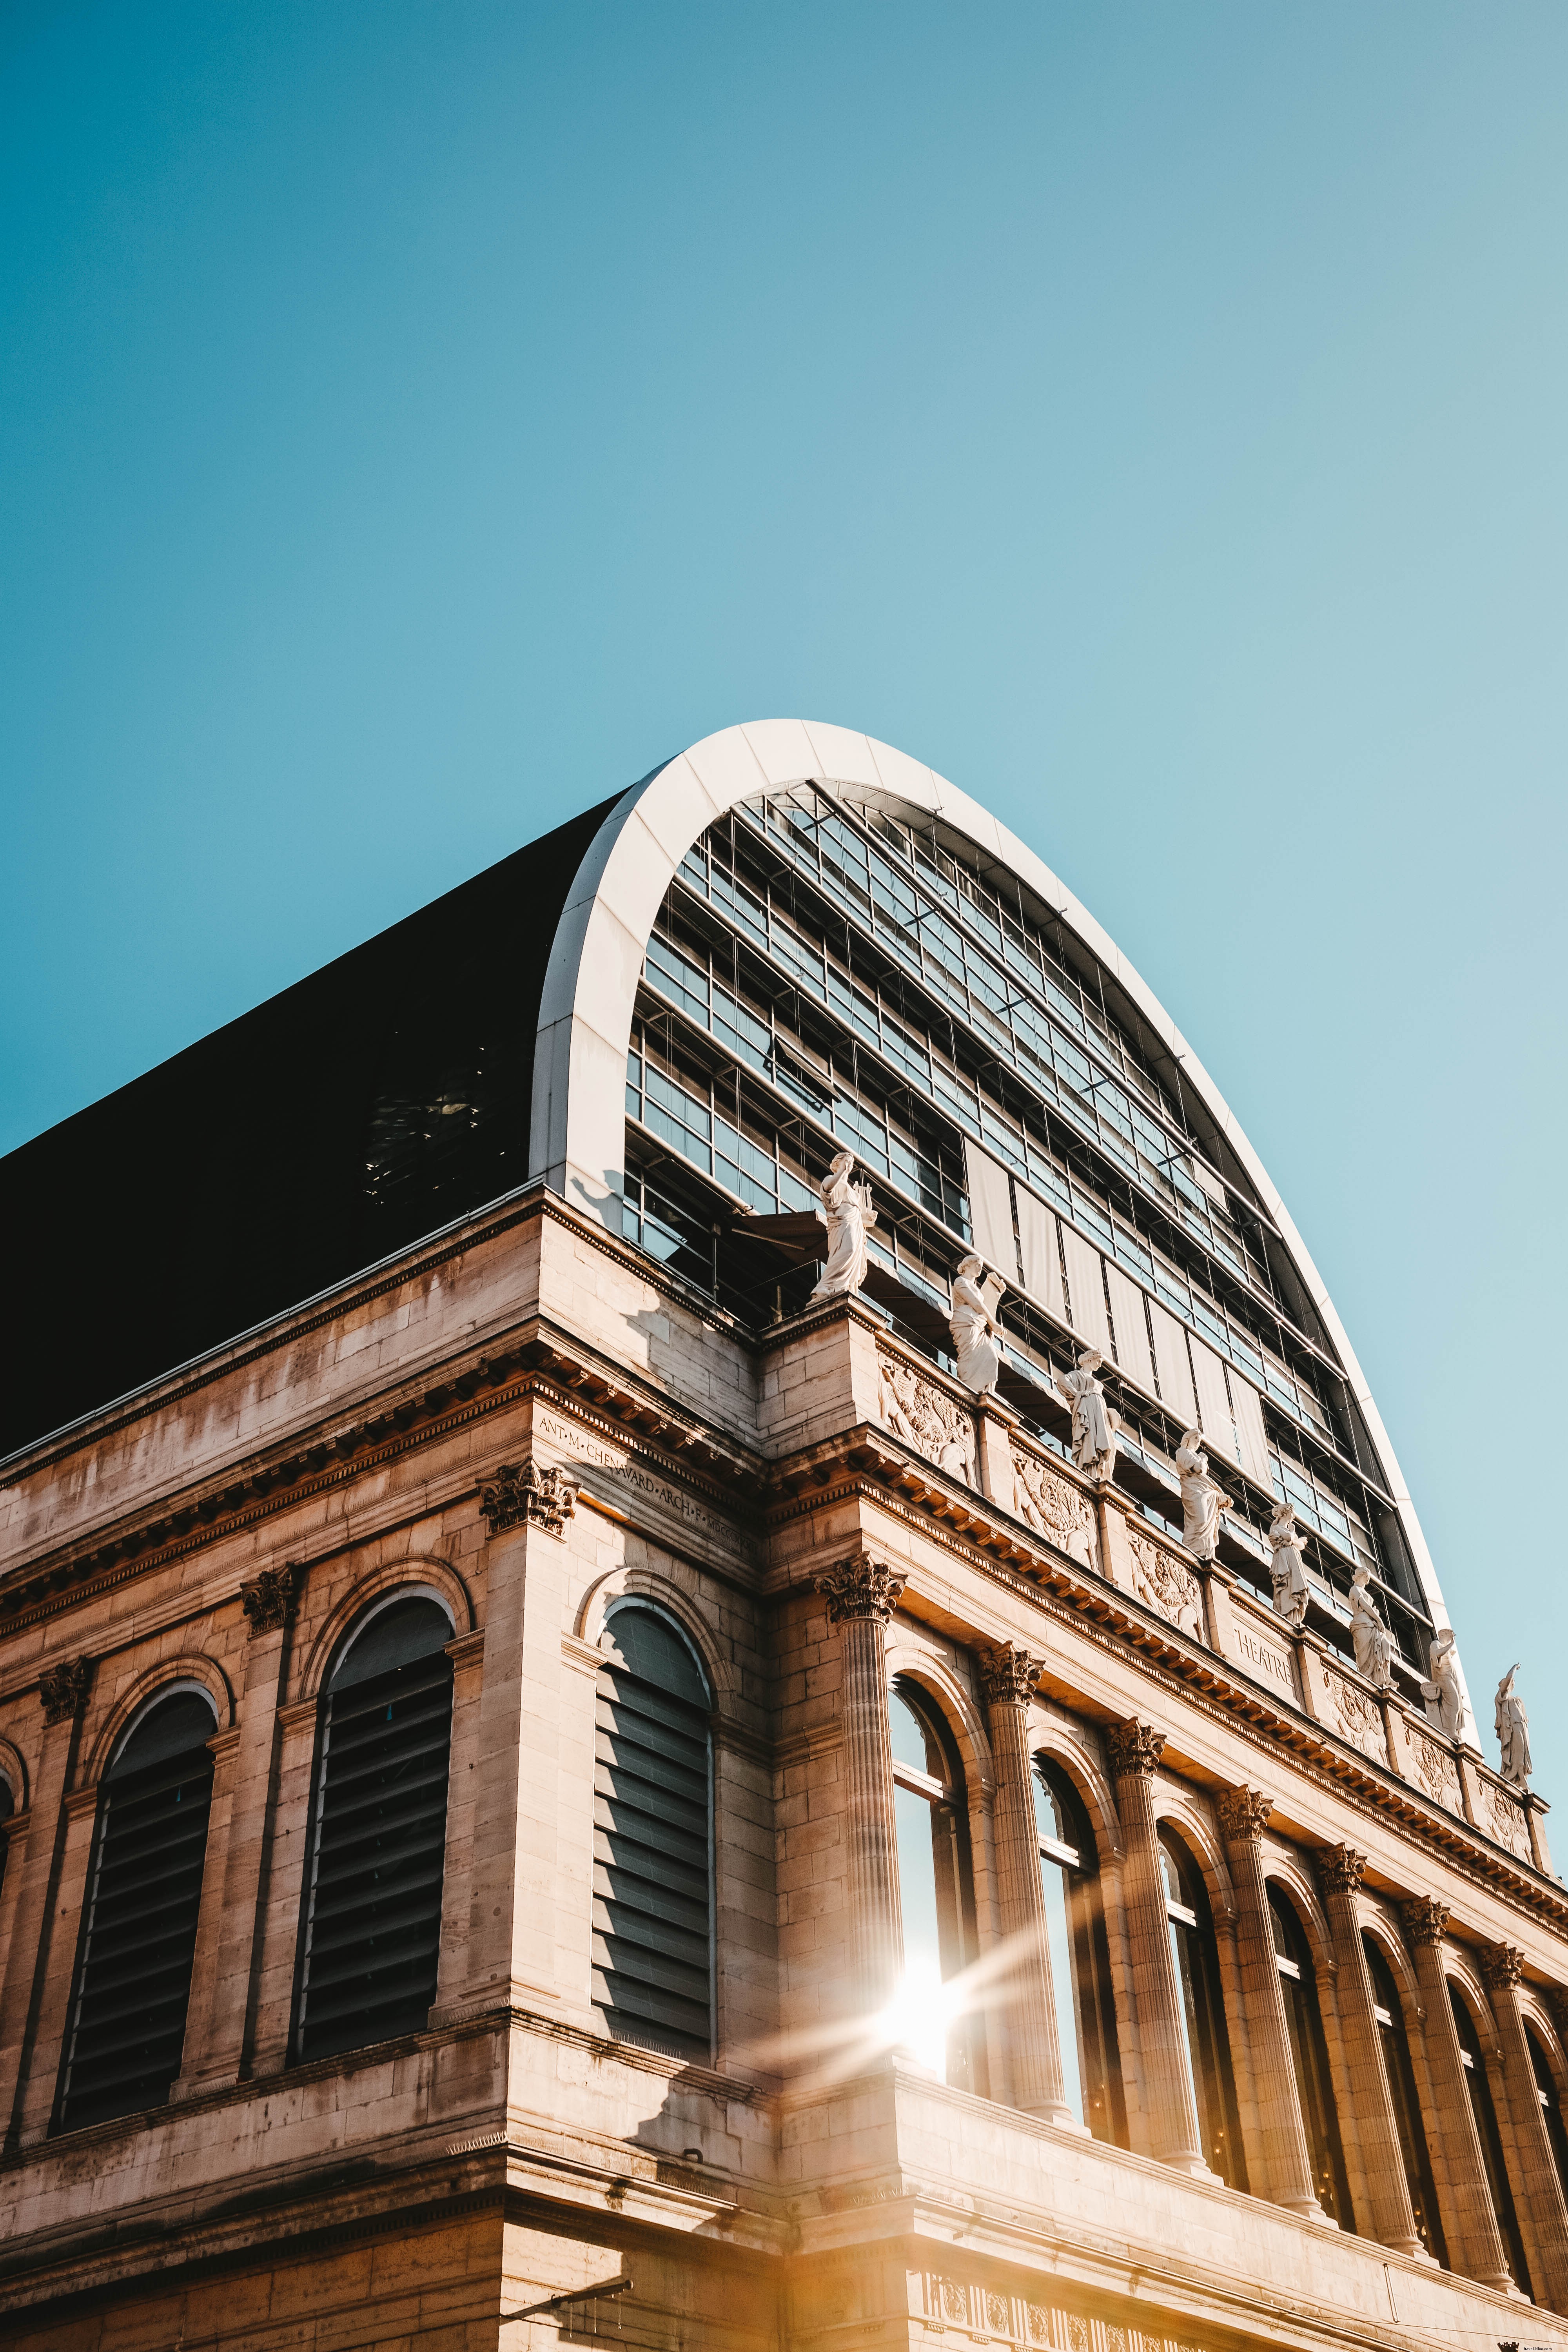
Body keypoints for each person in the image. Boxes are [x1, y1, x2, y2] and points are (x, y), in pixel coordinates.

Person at [809, 1151, 876, 1299]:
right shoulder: (831, 1180)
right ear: (837, 1164)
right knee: (848, 1250)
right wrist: (841, 1172)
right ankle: (825, 1285)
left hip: (854, 1224)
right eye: (846, 1162)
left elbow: (854, 1211)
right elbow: (828, 1191)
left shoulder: (855, 1193)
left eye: (850, 1164)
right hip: (841, 1224)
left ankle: (842, 1287)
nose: (849, 1165)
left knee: (853, 1252)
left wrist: (866, 1217)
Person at [1055, 1349, 1118, 1483]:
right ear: (1090, 1359)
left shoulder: (1094, 1381)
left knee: (1110, 1445)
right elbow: (1062, 1381)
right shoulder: (1078, 1375)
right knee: (1090, 1441)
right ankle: (1092, 1471)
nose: (1100, 1365)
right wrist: (1078, 1394)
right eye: (1098, 1362)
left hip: (1100, 1416)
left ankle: (1103, 1474)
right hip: (1087, 1411)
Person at [949, 1254, 1004, 1393]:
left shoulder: (975, 1287)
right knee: (970, 1356)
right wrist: (993, 1323)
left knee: (992, 1358)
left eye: (982, 1266)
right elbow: (977, 1304)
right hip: (967, 1324)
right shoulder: (961, 1282)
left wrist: (997, 1291)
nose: (980, 1268)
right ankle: (969, 1391)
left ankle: (985, 1394)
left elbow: (985, 1305)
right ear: (967, 1265)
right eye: (977, 1265)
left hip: (978, 1326)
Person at [1176, 1430, 1230, 1561]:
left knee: (1207, 1524)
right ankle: (1192, 1549)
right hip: (1195, 1493)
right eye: (1195, 1438)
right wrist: (1203, 1459)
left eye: (1199, 1440)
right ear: (1187, 1439)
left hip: (1204, 1492)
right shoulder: (1183, 1452)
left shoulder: (1193, 1455)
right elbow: (1199, 1469)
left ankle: (1206, 1554)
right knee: (1202, 1520)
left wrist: (1218, 1497)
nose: (1197, 1442)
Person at [1267, 1503, 1311, 1630]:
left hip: (1293, 1560)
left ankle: (1295, 1618)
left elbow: (1299, 1544)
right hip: (1285, 1561)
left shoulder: (1286, 1530)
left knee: (1299, 1589)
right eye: (1293, 1512)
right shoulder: (1277, 1528)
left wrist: (1293, 1540)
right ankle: (1288, 1618)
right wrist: (1292, 1535)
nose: (1294, 1515)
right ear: (1287, 1513)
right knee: (1288, 1587)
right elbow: (1290, 1538)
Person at [1348, 1566, 1393, 1689]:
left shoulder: (1363, 1591)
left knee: (1385, 1644)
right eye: (1366, 1576)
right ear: (1360, 1576)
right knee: (1365, 1656)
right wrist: (1378, 1620)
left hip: (1371, 1623)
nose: (1368, 1579)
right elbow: (1364, 1605)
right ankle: (1367, 1677)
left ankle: (1383, 1677)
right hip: (1362, 1623)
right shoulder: (1355, 1589)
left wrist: (1375, 1617)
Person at [1421, 1627, 1465, 1741]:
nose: (1452, 1637)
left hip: (1451, 1679)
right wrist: (1451, 1644)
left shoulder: (1448, 1650)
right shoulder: (1436, 1644)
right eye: (1450, 1635)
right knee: (1454, 1704)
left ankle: (1453, 1730)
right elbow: (1437, 1655)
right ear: (1443, 1634)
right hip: (1444, 1679)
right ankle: (1452, 1731)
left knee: (1458, 1706)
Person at [1495, 1664, 1532, 1788]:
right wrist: (1515, 1668)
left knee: (1523, 1753)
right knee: (1518, 1752)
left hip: (1522, 1727)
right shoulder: (1502, 1697)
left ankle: (1521, 1778)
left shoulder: (1517, 1700)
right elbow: (1509, 1679)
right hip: (1513, 1729)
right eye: (1507, 1682)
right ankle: (1519, 1778)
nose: (1511, 1683)